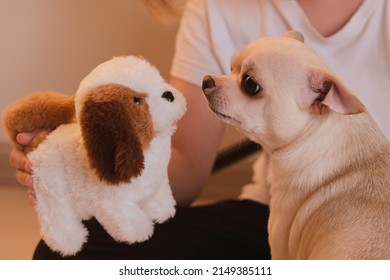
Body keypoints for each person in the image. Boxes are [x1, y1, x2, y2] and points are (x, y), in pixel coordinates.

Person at [9, 0, 390, 259]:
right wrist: (88, 156)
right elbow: (185, 163)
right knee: (72, 253)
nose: (221, 83)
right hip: (271, 215)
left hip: (367, 221)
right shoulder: (216, 6)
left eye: (250, 85)